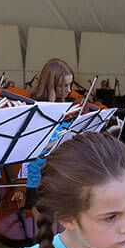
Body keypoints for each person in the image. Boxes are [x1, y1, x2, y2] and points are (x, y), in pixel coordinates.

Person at [25, 57, 76, 209]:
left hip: (62, 178)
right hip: (40, 181)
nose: (69, 90)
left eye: (70, 85)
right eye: (64, 86)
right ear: (51, 85)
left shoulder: (65, 108)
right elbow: (35, 149)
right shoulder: (35, 109)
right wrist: (66, 141)